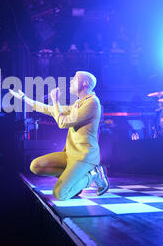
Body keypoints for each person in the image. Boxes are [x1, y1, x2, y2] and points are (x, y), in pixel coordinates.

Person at [9, 71, 109, 200]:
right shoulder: (78, 103)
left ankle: (92, 175)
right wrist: (24, 98)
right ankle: (74, 182)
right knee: (36, 166)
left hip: (84, 157)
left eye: (74, 79)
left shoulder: (92, 103)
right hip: (70, 154)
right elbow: (50, 109)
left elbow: (63, 122)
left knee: (59, 194)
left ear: (85, 83)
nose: (71, 81)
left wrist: (55, 101)